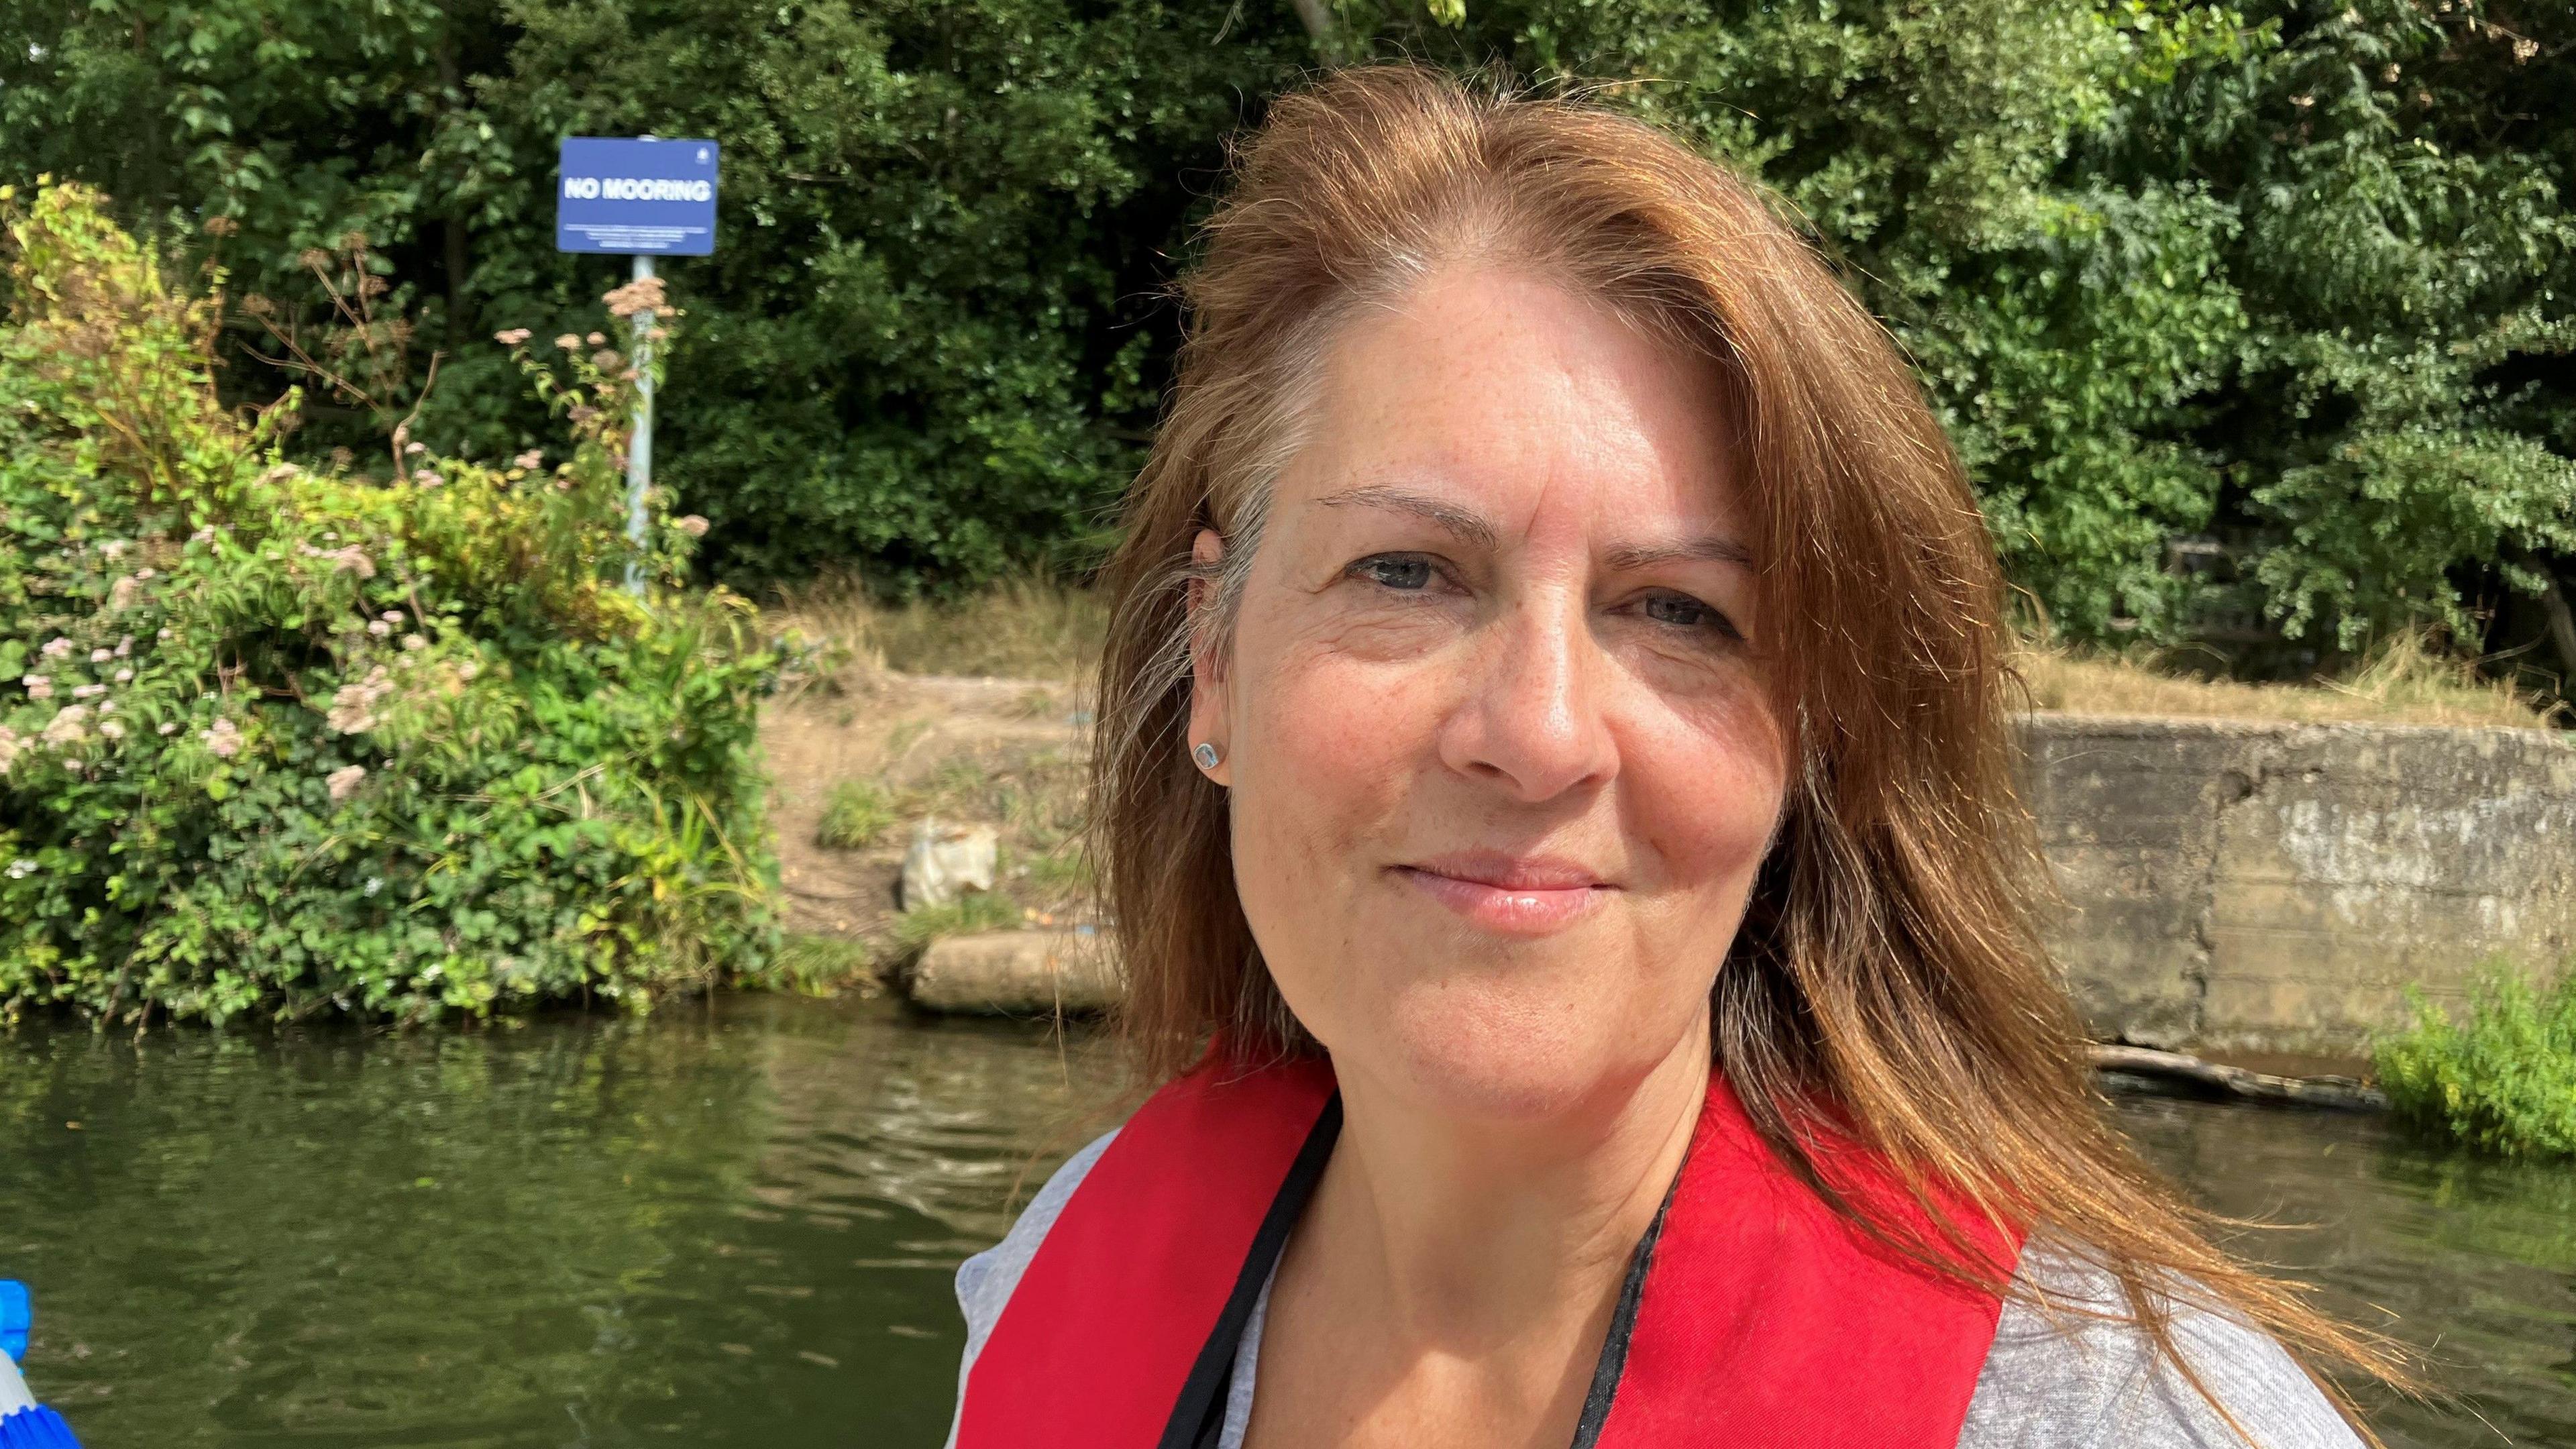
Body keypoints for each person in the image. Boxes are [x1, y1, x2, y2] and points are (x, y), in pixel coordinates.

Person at [943, 63, 2408, 1449]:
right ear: (1214, 658)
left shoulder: (2112, 1415)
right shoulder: (1051, 1284)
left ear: (1807, 745)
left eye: (1681, 612)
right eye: (1405, 573)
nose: (1536, 732)